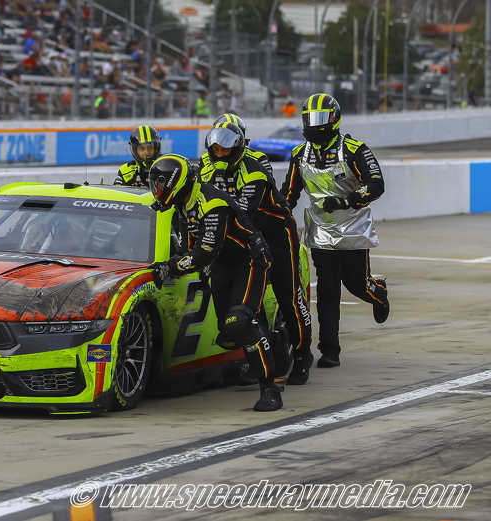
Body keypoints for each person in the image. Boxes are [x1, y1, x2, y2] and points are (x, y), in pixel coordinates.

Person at [148, 153, 283, 412]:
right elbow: (191, 246)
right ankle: (274, 342)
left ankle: (270, 389)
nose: (158, 190)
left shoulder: (211, 203)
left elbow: (204, 253)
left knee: (240, 322)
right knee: (229, 334)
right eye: (155, 184)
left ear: (176, 182)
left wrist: (171, 267)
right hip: (222, 265)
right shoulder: (183, 202)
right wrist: (175, 261)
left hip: (249, 260)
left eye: (161, 184)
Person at [282, 93, 390, 370]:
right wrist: (274, 215)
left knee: (357, 285)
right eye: (309, 119)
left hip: (353, 229)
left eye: (320, 119)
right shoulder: (298, 154)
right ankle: (329, 351)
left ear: (334, 119)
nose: (314, 125)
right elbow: (288, 195)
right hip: (320, 233)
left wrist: (347, 200)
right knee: (328, 291)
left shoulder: (355, 149)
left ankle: (379, 293)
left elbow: (376, 184)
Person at [201, 118, 313, 384]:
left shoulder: (255, 167)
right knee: (248, 305)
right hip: (242, 238)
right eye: (216, 149)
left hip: (276, 235)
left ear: (239, 144)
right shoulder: (204, 169)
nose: (221, 154)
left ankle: (302, 355)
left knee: (289, 298)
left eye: (226, 149)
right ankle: (269, 348)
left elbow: (242, 214)